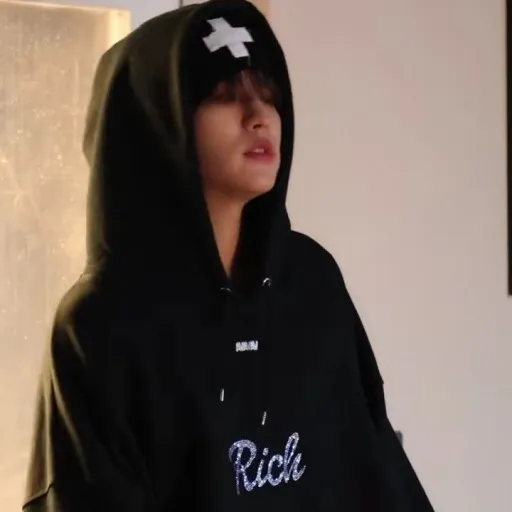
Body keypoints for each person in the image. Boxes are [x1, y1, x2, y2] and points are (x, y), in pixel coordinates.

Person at [23, 0, 435, 510]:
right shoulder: (101, 324)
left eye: (269, 95)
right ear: (158, 121)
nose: (260, 117)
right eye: (223, 96)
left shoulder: (312, 281)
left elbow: (375, 469)